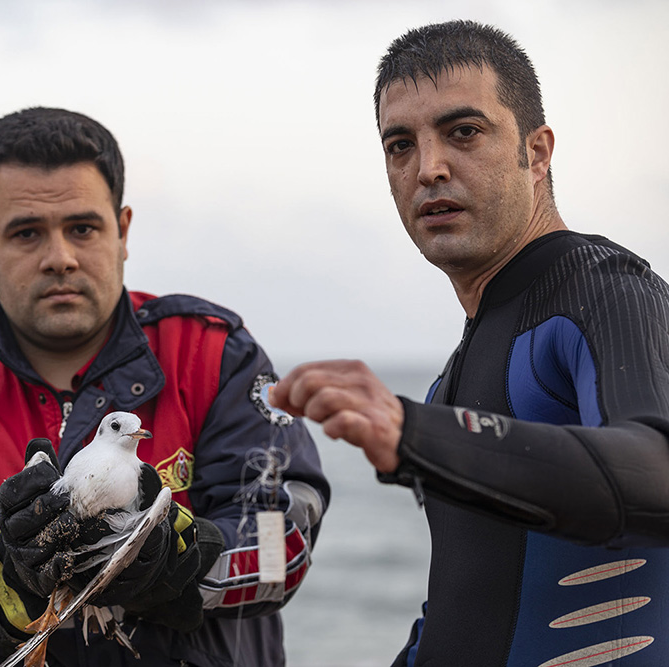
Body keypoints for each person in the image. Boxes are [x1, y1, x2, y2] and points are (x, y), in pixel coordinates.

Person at [0, 107, 329, 667]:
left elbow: (280, 555)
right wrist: (2, 567)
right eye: (26, 233)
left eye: (82, 228)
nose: (60, 258)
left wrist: (166, 556)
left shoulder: (216, 356)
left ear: (123, 230)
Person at [271, 19, 669, 667]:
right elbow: (467, 604)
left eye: (464, 132)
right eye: (400, 145)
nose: (428, 168)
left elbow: (657, 472)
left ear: (536, 153)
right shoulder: (453, 377)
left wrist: (415, 431)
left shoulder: (606, 287)